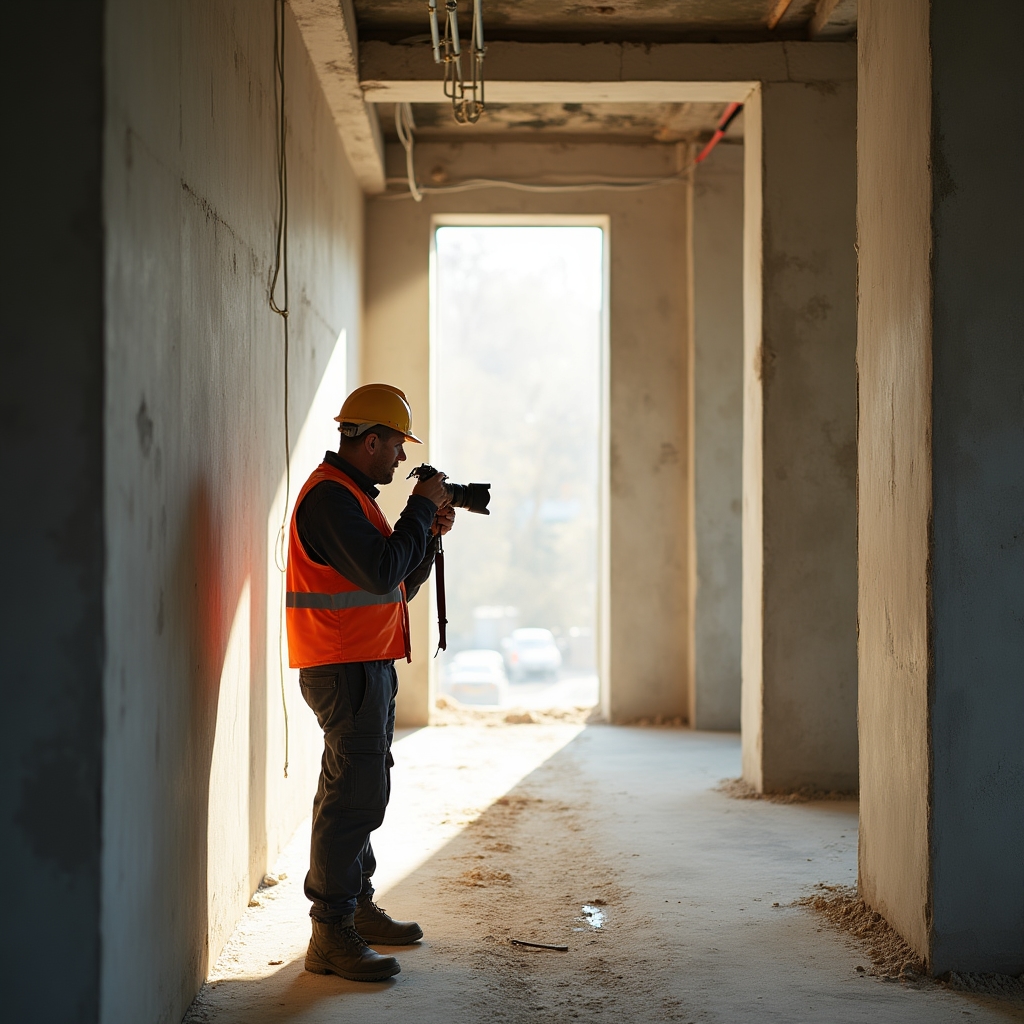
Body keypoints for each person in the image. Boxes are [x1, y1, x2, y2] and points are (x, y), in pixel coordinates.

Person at [286, 383, 454, 982]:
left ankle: (354, 906)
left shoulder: (355, 497)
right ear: (372, 440)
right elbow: (383, 573)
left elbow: (398, 584)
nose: (402, 461)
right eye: (397, 448)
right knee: (354, 794)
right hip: (342, 665)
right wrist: (415, 512)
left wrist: (427, 532)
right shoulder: (332, 499)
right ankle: (331, 934)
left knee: (360, 784)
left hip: (364, 662)